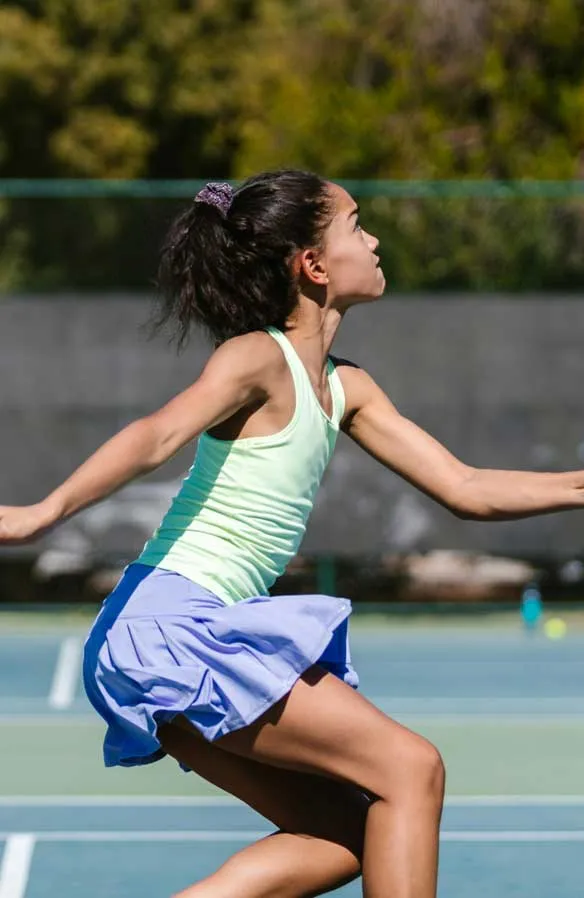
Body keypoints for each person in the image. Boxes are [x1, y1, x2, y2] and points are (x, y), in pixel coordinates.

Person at [0, 169, 582, 898]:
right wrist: (39, 513)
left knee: (344, 835)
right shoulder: (257, 358)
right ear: (311, 266)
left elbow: (465, 488)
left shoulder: (347, 387)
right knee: (411, 769)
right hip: (170, 627)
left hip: (166, 636)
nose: (373, 240)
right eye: (356, 224)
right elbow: (157, 434)